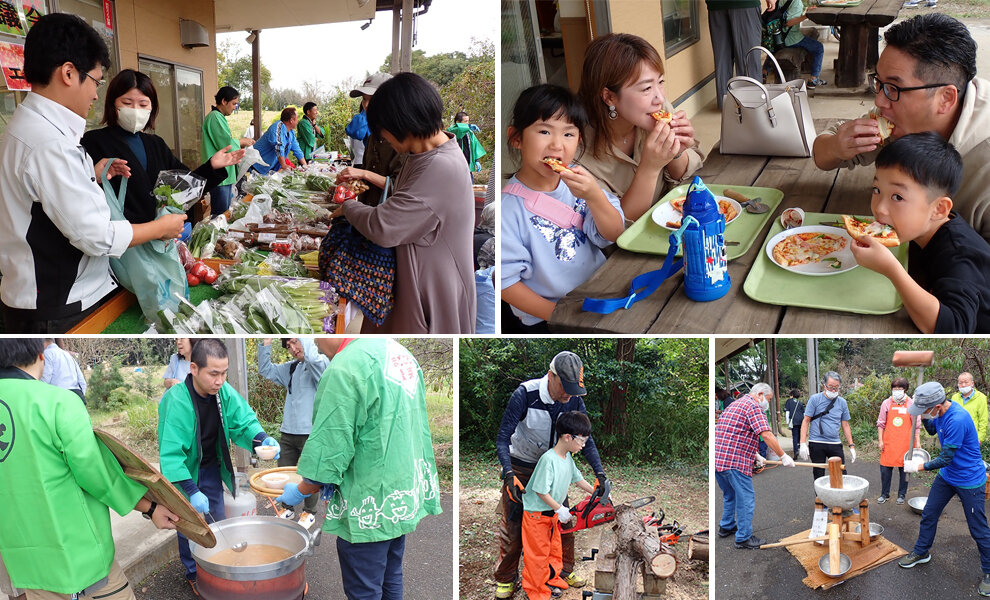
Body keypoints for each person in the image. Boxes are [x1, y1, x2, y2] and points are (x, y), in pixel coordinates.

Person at [0, 14, 186, 333]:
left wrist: (94, 176)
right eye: (96, 81)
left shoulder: (31, 128)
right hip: (58, 305)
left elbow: (43, 201)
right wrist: (159, 228)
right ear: (69, 73)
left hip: (49, 298)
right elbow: (96, 237)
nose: (96, 94)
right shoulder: (49, 143)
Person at [0, 338, 180, 600]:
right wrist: (150, 507)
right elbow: (96, 475)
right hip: (80, 561)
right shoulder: (57, 402)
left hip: (28, 564)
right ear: (41, 354)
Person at [274, 337, 442, 600]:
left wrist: (299, 490)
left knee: (364, 589)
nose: (314, 343)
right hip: (401, 494)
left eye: (315, 333)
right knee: (390, 576)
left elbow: (328, 453)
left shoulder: (344, 367)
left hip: (368, 501)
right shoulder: (397, 352)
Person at [812, 14, 990, 242]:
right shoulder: (899, 119)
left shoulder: (984, 161)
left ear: (946, 98)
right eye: (879, 83)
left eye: (894, 87)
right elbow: (820, 153)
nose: (879, 101)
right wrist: (837, 147)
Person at [335, 72, 476, 334]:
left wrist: (347, 207)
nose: (384, 138)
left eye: (383, 130)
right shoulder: (422, 154)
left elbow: (384, 226)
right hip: (411, 282)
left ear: (400, 123)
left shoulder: (440, 166)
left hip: (431, 291)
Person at [157, 338, 280, 594]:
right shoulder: (176, 400)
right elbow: (170, 455)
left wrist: (261, 439)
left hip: (211, 466)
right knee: (188, 523)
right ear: (194, 369)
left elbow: (243, 421)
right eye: (213, 373)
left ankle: (220, 567)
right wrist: (190, 490)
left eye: (223, 373)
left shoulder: (222, 392)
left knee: (217, 522)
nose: (220, 380)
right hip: (184, 474)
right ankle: (194, 572)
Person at [501, 84, 625, 333]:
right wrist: (560, 315)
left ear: (579, 139)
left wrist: (594, 196)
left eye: (568, 134)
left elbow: (614, 233)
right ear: (516, 138)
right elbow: (506, 283)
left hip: (599, 297)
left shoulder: (581, 183)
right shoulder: (509, 209)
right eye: (545, 131)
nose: (557, 145)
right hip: (550, 318)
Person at [494, 351, 608, 599]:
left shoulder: (574, 400)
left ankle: (561, 572)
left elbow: (586, 440)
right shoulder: (525, 394)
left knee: (564, 523)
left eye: (573, 389)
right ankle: (506, 578)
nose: (568, 395)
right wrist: (508, 472)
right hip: (522, 465)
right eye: (565, 387)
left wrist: (599, 473)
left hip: (557, 464)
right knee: (514, 526)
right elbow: (503, 437)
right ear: (551, 376)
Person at [848, 133, 990, 333]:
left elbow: (954, 329)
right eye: (877, 189)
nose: (880, 208)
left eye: (897, 197)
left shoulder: (958, 254)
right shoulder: (923, 229)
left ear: (939, 209)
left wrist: (891, 269)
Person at [82, 70, 243, 226]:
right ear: (112, 104)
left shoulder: (155, 144)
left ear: (152, 107)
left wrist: (211, 167)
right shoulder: (94, 142)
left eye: (143, 104)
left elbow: (185, 188)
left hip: (159, 241)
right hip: (121, 243)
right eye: (127, 103)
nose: (136, 110)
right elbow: (86, 199)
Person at [577, 33, 705, 221]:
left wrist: (676, 151)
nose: (659, 98)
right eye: (646, 88)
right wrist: (650, 167)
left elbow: (686, 176)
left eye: (660, 82)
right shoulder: (576, 150)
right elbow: (617, 225)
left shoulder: (657, 109)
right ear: (609, 97)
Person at [899, 381, 990, 597]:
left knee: (978, 529)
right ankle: (921, 552)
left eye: (926, 410)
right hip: (948, 477)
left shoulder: (957, 419)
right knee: (929, 514)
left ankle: (989, 571)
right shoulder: (939, 412)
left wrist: (919, 465)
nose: (924, 413)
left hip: (969, 479)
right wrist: (922, 416)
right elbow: (932, 431)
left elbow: (946, 458)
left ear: (937, 406)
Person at [521, 411, 596, 600]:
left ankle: (552, 579)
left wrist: (597, 492)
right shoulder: (549, 459)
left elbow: (578, 479)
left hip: (551, 515)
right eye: (581, 440)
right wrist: (559, 508)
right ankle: (537, 592)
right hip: (536, 514)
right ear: (567, 437)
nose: (583, 445)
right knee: (537, 555)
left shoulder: (567, 459)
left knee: (554, 550)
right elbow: (540, 491)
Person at [715, 382, 795, 549]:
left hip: (719, 460)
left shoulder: (735, 404)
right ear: (759, 394)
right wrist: (783, 455)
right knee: (746, 499)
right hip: (735, 462)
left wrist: (755, 454)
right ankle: (743, 537)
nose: (768, 403)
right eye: (768, 399)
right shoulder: (753, 406)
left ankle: (726, 526)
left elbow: (736, 432)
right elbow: (766, 434)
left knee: (730, 494)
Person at [257, 337, 329, 521]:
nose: (293, 348)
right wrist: (266, 343)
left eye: (295, 342)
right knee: (284, 474)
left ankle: (309, 512)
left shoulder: (321, 364)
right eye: (288, 346)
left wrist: (303, 338)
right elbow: (265, 369)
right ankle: (287, 508)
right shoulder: (292, 368)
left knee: (309, 475)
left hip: (310, 433)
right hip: (288, 432)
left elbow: (312, 359)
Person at [338, 72, 405, 207]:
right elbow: (368, 175)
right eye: (364, 99)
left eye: (373, 99)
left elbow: (400, 187)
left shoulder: (404, 139)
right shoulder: (373, 136)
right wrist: (352, 180)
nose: (367, 105)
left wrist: (364, 174)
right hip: (369, 214)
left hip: (389, 218)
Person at [706, 0, 772, 110]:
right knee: (748, 58)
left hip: (715, 4)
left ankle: (726, 106)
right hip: (744, 3)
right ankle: (752, 104)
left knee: (722, 57)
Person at [201, 86, 253, 216]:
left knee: (225, 212)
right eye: (234, 103)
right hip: (219, 176)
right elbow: (226, 143)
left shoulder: (218, 117)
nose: (235, 107)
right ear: (224, 101)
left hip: (225, 176)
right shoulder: (214, 117)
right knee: (221, 214)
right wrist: (242, 141)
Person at [798, 371, 856, 482]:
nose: (834, 390)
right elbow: (806, 421)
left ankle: (840, 498)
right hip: (817, 442)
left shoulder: (842, 402)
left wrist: (851, 446)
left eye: (836, 387)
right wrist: (803, 443)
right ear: (824, 385)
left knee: (841, 473)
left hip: (835, 443)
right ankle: (820, 499)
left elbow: (846, 425)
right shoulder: (815, 399)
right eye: (830, 387)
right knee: (819, 475)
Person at [876, 377, 921, 504]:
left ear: (905, 389)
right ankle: (884, 494)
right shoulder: (886, 403)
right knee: (885, 470)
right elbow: (881, 424)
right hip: (889, 442)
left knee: (905, 470)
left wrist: (917, 441)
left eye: (900, 389)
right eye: (895, 389)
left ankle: (902, 494)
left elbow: (916, 425)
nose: (897, 391)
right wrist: (880, 440)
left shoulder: (911, 404)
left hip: (906, 443)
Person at [776, 1, 826, 87]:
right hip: (791, 38)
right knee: (819, 47)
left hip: (778, 37)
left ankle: (765, 72)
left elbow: (786, 14)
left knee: (812, 35)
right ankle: (813, 80)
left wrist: (805, 12)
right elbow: (789, 22)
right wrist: (805, 16)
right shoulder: (796, 2)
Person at [252, 107, 308, 175]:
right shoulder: (277, 127)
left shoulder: (291, 133)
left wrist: (306, 167)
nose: (297, 121)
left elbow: (297, 150)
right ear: (291, 120)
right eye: (297, 119)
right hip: (255, 166)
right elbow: (279, 147)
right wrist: (284, 165)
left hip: (266, 169)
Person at [40, 338, 86, 402]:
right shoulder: (68, 355)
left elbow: (45, 379)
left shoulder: (47, 353)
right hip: (77, 396)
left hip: (59, 397)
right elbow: (82, 381)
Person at [951, 372, 989, 443]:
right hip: (956, 437)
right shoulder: (954, 397)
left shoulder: (981, 398)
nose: (963, 385)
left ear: (972, 383)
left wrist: (979, 439)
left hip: (972, 438)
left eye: (966, 382)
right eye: (960, 383)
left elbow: (983, 420)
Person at [784, 388, 805, 459]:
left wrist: (788, 422)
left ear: (792, 395)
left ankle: (796, 450)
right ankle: (799, 445)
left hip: (794, 421)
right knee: (800, 433)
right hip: (801, 420)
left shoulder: (789, 401)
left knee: (795, 435)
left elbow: (787, 412)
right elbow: (804, 413)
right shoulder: (800, 402)